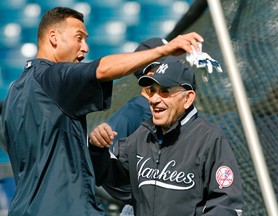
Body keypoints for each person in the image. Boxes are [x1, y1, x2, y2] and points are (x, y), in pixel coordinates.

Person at [1, 6, 204, 216]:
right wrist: (164, 50)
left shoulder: (14, 93)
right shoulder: (52, 77)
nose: (85, 47)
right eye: (79, 38)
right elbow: (102, 69)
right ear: (53, 37)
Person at [89, 61, 244, 216]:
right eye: (151, 91)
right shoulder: (142, 134)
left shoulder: (210, 139)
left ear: (188, 98)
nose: (154, 99)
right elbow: (116, 180)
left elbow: (227, 206)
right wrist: (98, 149)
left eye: (165, 91)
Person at [95, 37, 178, 215]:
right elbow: (103, 168)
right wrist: (136, 194)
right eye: (167, 63)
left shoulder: (168, 114)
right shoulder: (133, 113)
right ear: (149, 74)